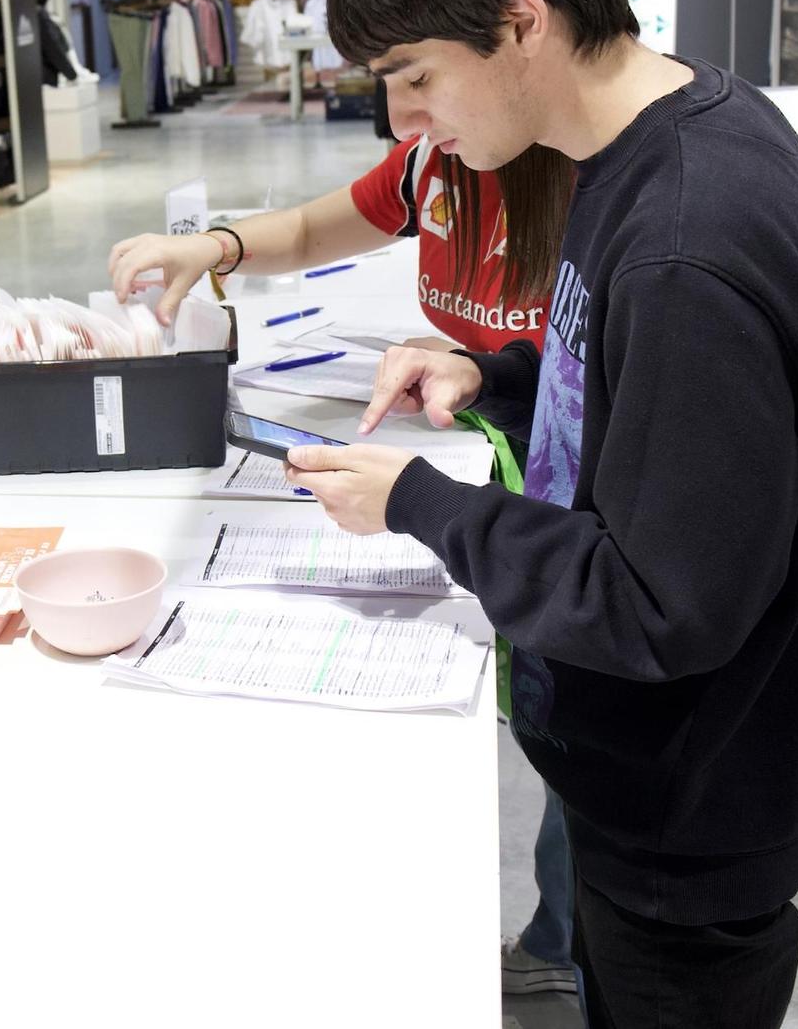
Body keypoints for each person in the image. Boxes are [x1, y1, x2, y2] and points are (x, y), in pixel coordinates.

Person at [279, 0, 798, 1027]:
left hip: (694, 807)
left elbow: (662, 604)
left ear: (521, 21)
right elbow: (643, 394)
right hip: (662, 776)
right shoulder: (658, 134)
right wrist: (495, 373)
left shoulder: (686, 243)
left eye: (421, 76)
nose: (412, 124)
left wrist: (419, 504)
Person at [109, 85, 580, 1006]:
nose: (402, 113)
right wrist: (217, 245)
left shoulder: (577, 175)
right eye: (388, 81)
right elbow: (318, 227)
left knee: (575, 729)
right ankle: (562, 933)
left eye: (416, 74)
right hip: (472, 459)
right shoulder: (434, 158)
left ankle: (571, 934)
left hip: (551, 488)